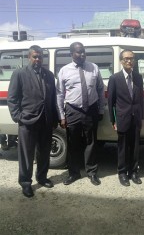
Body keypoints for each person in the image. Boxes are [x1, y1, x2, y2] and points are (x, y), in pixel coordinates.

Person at [7, 45, 58, 198]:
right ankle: (25, 182)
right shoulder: (19, 74)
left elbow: (52, 98)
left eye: (40, 56)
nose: (38, 59)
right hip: (27, 121)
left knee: (44, 152)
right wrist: (18, 117)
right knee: (26, 154)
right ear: (29, 57)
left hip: (46, 121)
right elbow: (12, 98)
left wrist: (54, 118)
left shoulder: (49, 75)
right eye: (35, 56)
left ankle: (42, 178)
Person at [56, 42, 105, 186]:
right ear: (72, 54)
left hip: (91, 110)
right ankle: (74, 173)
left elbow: (100, 90)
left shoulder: (94, 68)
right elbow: (59, 94)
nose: (82, 54)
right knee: (73, 143)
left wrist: (101, 109)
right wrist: (62, 116)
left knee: (91, 142)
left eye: (83, 51)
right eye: (79, 52)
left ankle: (92, 172)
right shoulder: (64, 71)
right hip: (73, 110)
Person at [107, 50, 144, 187]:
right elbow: (111, 101)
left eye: (132, 58)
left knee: (135, 147)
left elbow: (141, 99)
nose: (129, 61)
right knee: (122, 148)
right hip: (122, 118)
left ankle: (133, 172)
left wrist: (141, 117)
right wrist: (113, 120)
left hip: (136, 118)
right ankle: (122, 173)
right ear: (121, 61)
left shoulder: (138, 77)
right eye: (126, 59)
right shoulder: (114, 78)